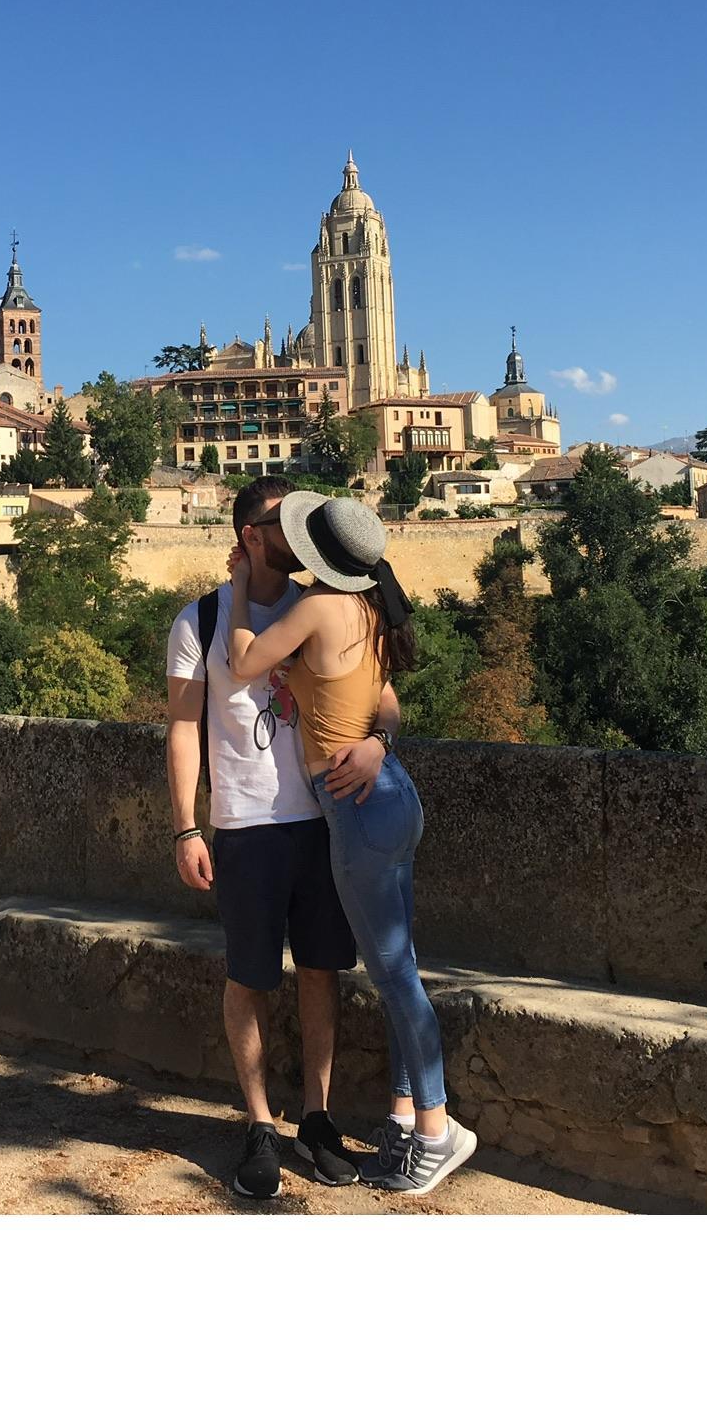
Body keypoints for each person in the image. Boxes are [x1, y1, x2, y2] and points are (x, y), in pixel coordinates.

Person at [225, 490, 476, 1198]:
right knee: (402, 969)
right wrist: (374, 740)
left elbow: (243, 661)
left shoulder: (314, 606)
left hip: (354, 810)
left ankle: (435, 1128)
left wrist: (242, 585)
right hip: (390, 791)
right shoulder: (369, 605)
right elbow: (383, 700)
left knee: (395, 976)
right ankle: (403, 1115)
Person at [165, 474, 402, 1200]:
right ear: (251, 536)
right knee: (249, 978)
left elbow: (384, 702)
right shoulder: (198, 621)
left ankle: (318, 1119)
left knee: (322, 972)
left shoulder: (323, 604)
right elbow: (182, 725)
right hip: (243, 826)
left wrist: (379, 746)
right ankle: (261, 1124)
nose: (299, 535)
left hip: (326, 819)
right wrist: (185, 824)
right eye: (282, 522)